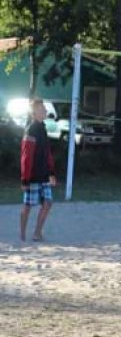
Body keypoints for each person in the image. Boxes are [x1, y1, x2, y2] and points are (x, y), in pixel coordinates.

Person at [20, 98, 56, 242]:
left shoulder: (43, 128)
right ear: (34, 113)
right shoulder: (31, 129)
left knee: (47, 203)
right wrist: (25, 179)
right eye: (42, 110)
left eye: (45, 110)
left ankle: (37, 233)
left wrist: (51, 172)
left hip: (44, 175)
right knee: (28, 206)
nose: (45, 112)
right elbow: (26, 157)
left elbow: (47, 152)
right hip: (32, 176)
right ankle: (22, 234)